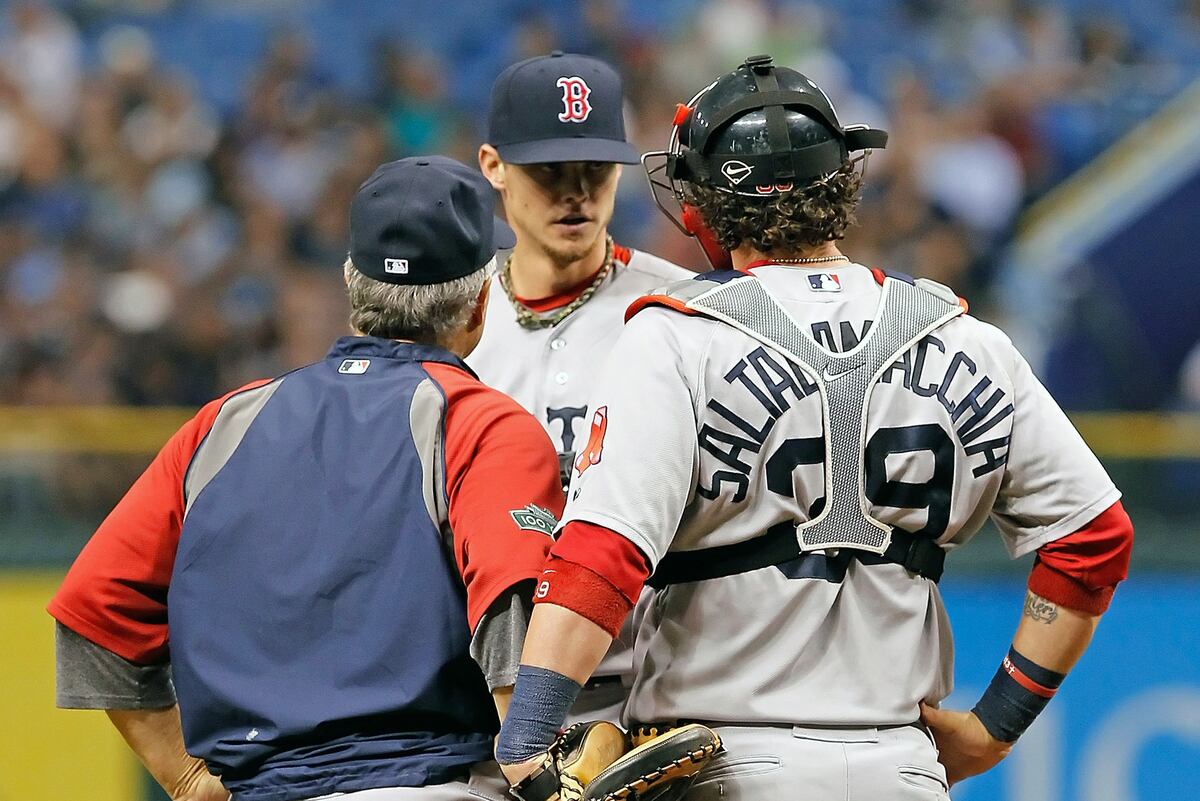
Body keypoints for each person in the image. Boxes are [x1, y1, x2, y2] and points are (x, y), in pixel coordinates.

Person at [490, 55, 1134, 801]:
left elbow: (602, 558)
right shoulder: (966, 339)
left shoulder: (678, 337)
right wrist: (996, 724)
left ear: (706, 203)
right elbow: (1095, 539)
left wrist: (527, 737)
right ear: (841, 181)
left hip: (729, 762)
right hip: (903, 765)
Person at [48, 156, 565, 801]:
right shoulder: (481, 423)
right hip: (427, 781)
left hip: (258, 787)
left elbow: (92, 611)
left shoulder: (225, 423)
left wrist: (184, 774)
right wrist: (535, 765)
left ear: (352, 286)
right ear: (480, 303)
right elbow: (511, 606)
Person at [469, 51, 692, 720]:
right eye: (549, 169)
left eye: (596, 167)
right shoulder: (452, 320)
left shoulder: (682, 312)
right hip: (481, 704)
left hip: (649, 696)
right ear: (494, 167)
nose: (576, 192)